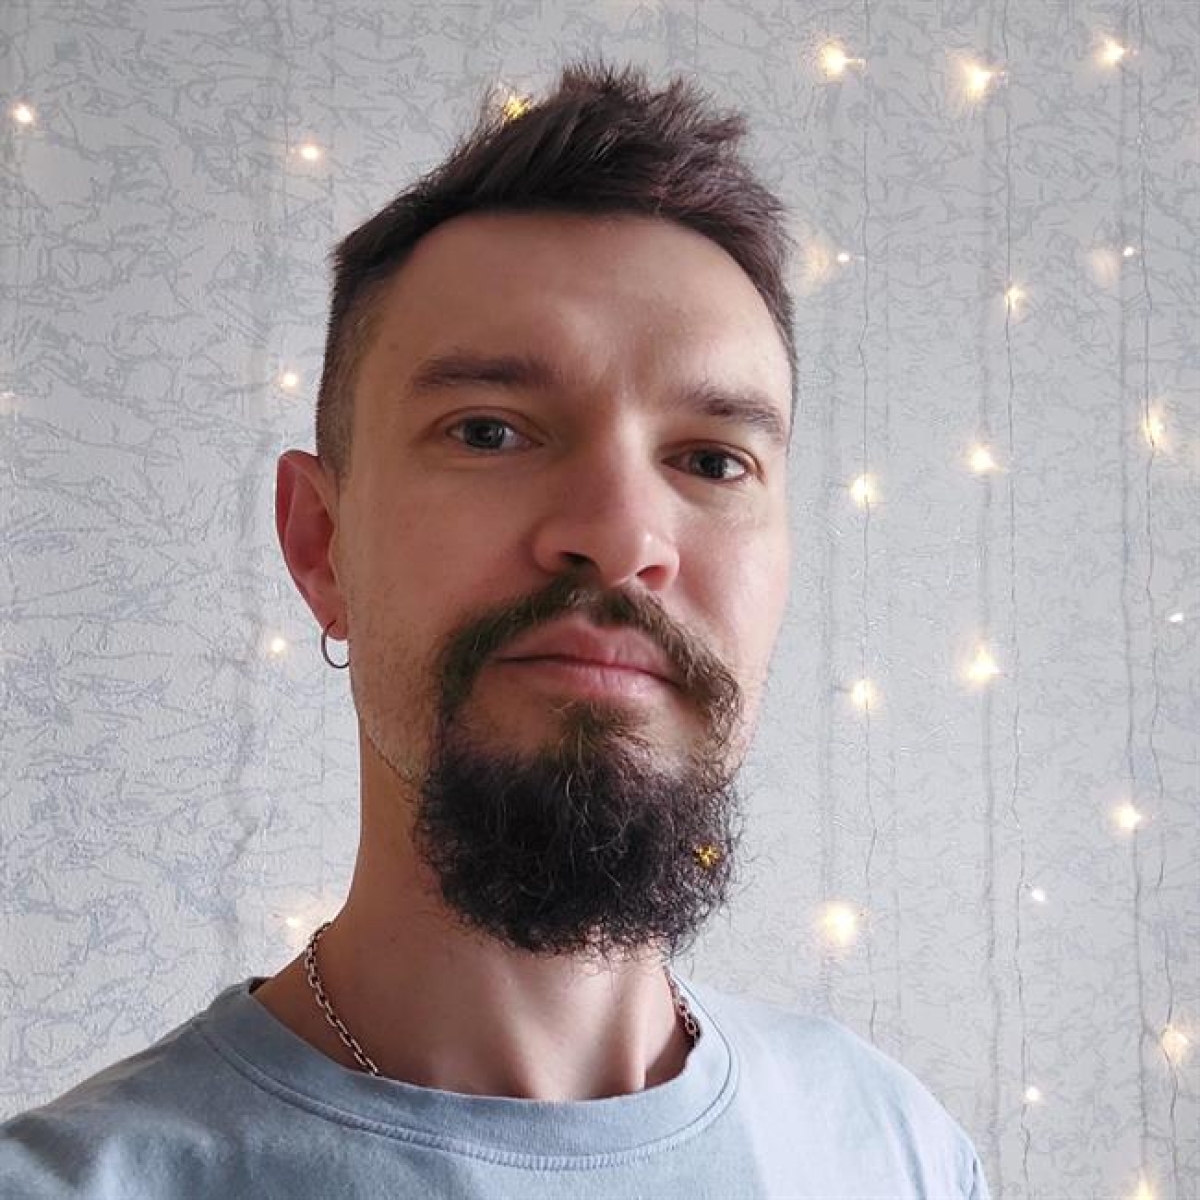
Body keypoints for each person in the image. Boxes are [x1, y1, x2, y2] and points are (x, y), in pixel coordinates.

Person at [0, 57, 990, 1199]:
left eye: (713, 460)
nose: (621, 537)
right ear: (321, 543)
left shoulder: (897, 1150)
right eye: (489, 431)